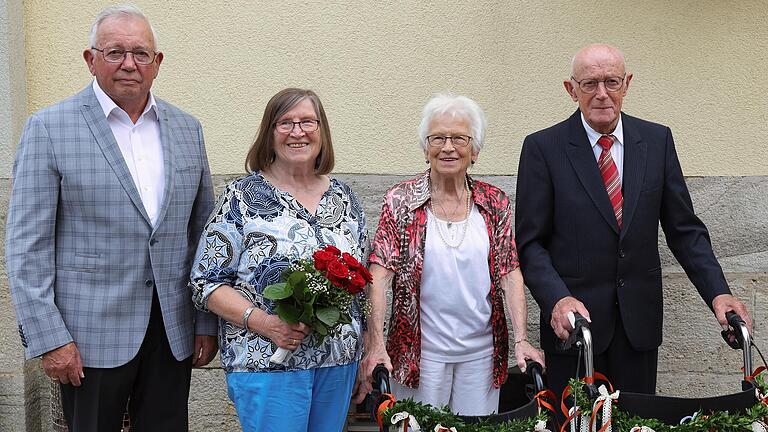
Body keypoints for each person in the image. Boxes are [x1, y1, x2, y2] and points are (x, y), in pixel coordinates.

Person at [5, 5, 218, 431]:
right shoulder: (49, 128)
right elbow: (26, 247)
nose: (129, 64)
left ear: (157, 64)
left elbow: (203, 235)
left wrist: (204, 320)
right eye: (115, 52)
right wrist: (51, 338)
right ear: (91, 59)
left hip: (171, 330)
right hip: (87, 336)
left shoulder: (186, 129)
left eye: (140, 53)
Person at [514, 43, 752, 399]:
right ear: (571, 89)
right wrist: (558, 299)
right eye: (590, 84)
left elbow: (684, 231)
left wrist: (719, 293)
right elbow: (531, 244)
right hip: (576, 330)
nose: (602, 94)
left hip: (638, 328)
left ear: (627, 84)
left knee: (640, 422)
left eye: (611, 81)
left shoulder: (657, 141)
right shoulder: (543, 148)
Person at [189, 88, 368, 432]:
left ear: (322, 131)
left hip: (338, 363)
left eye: (307, 122)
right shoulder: (241, 198)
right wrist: (267, 323)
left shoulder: (345, 199)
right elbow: (205, 282)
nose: (297, 132)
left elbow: (361, 283)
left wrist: (367, 351)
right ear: (269, 134)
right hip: (267, 364)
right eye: (285, 123)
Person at [354, 94, 545, 416]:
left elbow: (509, 274)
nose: (447, 147)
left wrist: (522, 339)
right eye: (438, 138)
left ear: (475, 149)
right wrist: (375, 345)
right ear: (425, 147)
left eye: (459, 138)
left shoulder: (493, 202)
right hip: (418, 354)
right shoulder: (401, 200)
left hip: (481, 354)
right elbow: (378, 275)